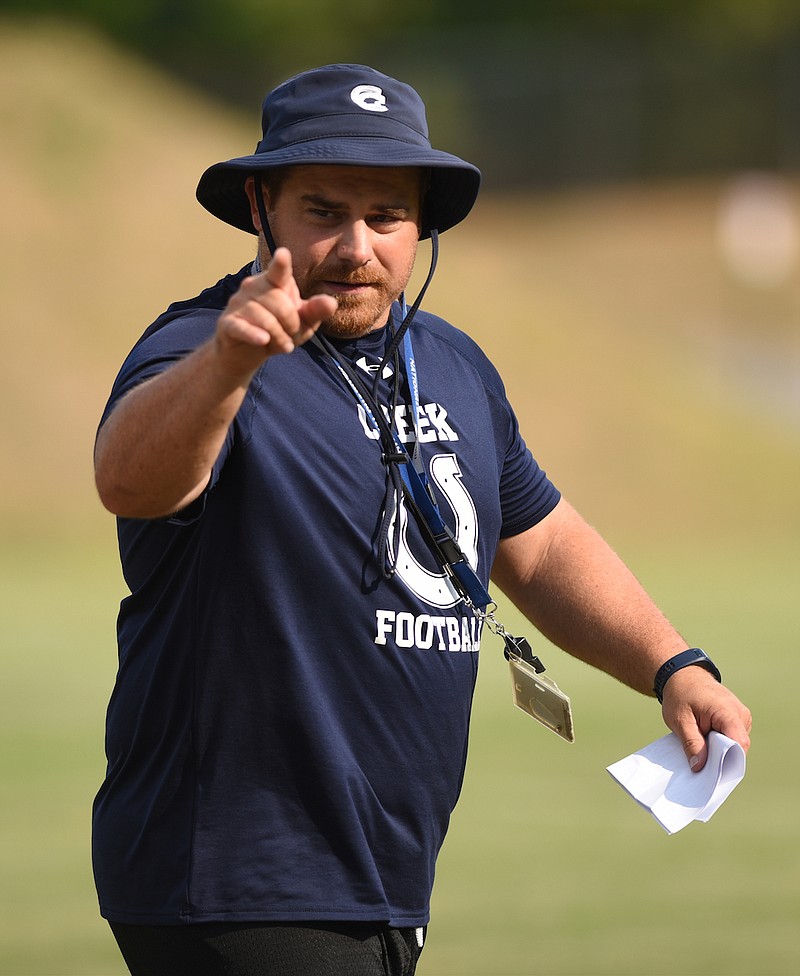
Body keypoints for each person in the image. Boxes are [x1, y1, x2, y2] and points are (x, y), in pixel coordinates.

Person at [92, 63, 751, 976]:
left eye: (387, 217)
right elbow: (129, 480)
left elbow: (541, 537)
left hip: (382, 880)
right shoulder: (199, 344)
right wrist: (226, 366)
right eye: (323, 210)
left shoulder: (452, 365)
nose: (357, 246)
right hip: (236, 876)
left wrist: (671, 664)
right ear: (261, 207)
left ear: (422, 224)